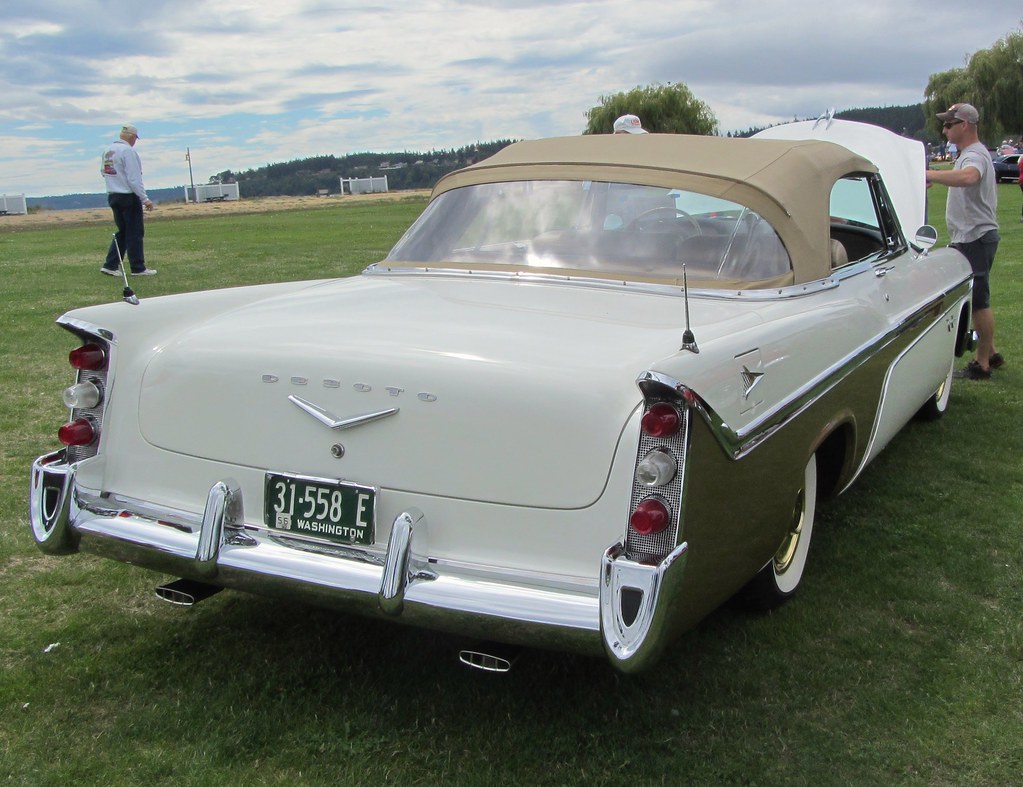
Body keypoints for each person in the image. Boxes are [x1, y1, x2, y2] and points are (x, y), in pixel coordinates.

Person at [925, 103, 1002, 379]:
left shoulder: (975, 156)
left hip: (975, 238)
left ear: (964, 125)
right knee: (977, 295)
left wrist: (931, 174)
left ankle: (982, 364)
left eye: (949, 124)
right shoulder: (969, 154)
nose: (944, 129)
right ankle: (991, 351)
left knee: (980, 300)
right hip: (972, 237)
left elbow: (970, 177)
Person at [100, 124, 156, 276]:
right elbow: (134, 178)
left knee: (123, 232)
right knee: (135, 232)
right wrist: (145, 199)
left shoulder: (108, 151)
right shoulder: (128, 151)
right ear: (132, 137)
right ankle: (138, 267)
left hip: (113, 194)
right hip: (127, 195)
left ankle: (111, 264)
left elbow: (103, 172)